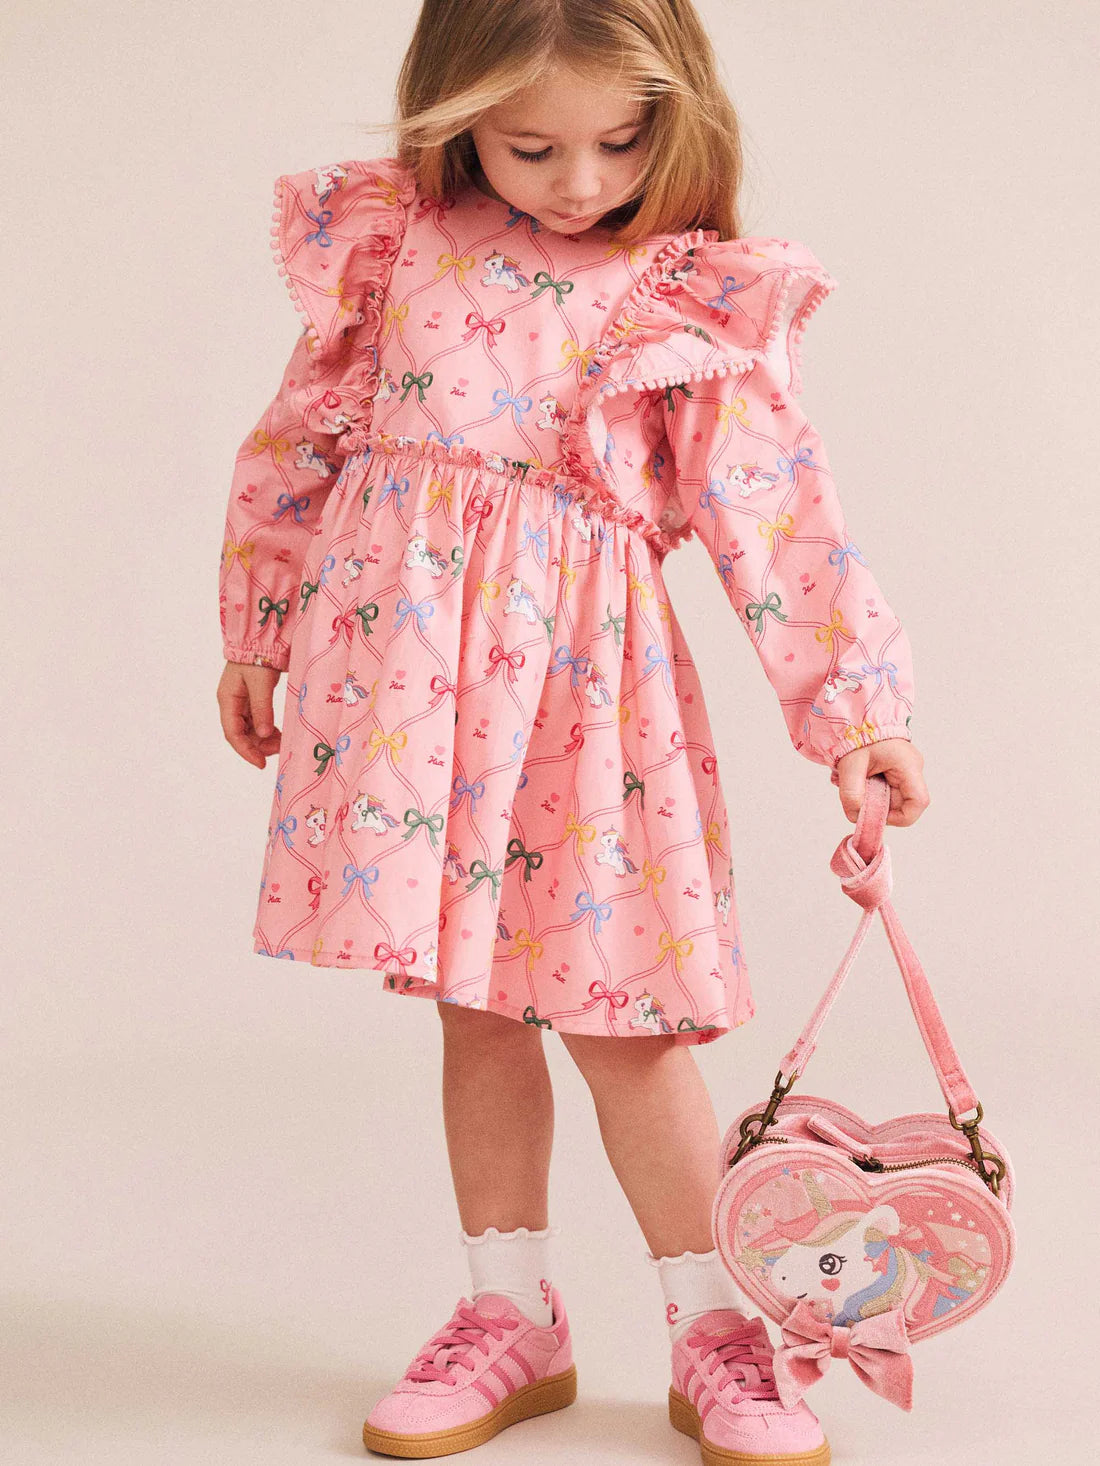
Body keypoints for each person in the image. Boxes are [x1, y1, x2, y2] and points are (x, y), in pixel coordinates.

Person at [216, 2, 929, 1459]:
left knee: (629, 1024)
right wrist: (259, 617)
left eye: (620, 141)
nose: (580, 181)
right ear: (455, 114)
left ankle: (716, 1326)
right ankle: (511, 1312)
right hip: (416, 697)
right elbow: (301, 439)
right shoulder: (400, 247)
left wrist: (854, 710)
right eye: (531, 146)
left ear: (676, 118)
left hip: (588, 710)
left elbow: (773, 510)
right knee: (476, 1011)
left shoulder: (676, 294)